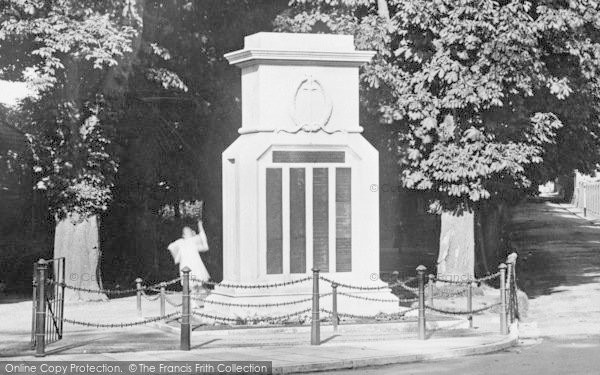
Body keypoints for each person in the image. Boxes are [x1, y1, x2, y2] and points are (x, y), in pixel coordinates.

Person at [168, 219, 210, 306]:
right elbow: (171, 247)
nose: (188, 233)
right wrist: (177, 257)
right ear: (183, 235)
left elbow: (204, 244)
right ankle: (192, 302)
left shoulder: (192, 241)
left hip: (195, 266)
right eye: (186, 232)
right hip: (187, 267)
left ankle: (193, 301)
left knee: (197, 285)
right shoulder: (181, 242)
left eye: (189, 231)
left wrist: (200, 226)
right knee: (191, 285)